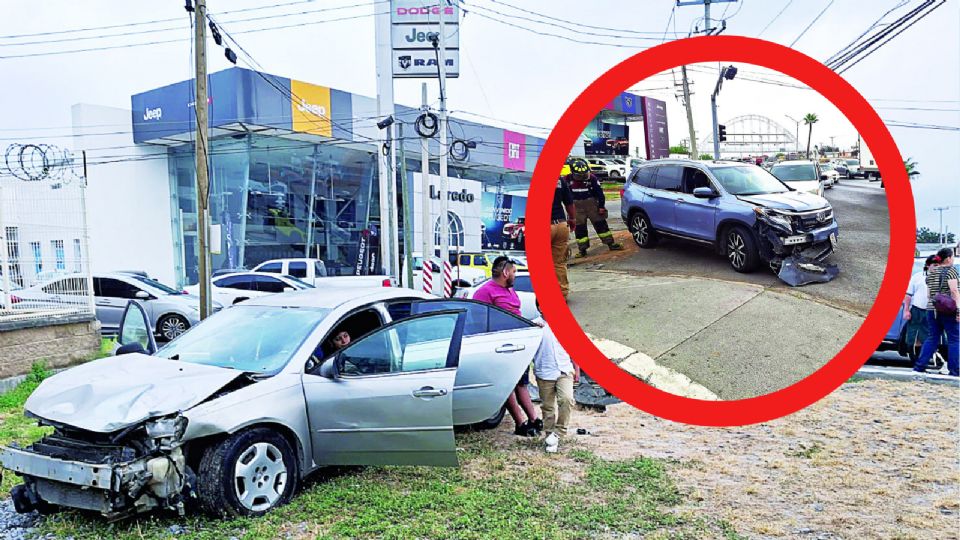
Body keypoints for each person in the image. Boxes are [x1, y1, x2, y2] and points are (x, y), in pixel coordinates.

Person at [473, 256, 542, 436]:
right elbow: (479, 320)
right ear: (505, 272)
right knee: (508, 385)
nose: (515, 275)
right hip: (500, 347)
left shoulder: (510, 290)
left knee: (522, 384)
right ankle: (521, 423)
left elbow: (514, 314)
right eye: (513, 271)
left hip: (518, 344)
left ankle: (534, 419)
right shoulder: (484, 292)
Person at [532, 301, 579, 452]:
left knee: (567, 399)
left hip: (564, 369)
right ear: (540, 307)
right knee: (548, 407)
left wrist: (576, 368)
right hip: (544, 371)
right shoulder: (534, 326)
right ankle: (549, 436)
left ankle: (559, 433)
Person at [913, 248, 959, 377]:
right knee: (954, 340)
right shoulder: (951, 271)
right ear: (949, 258)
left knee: (932, 338)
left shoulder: (931, 273)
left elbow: (929, 294)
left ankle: (919, 367)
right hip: (949, 311)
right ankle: (954, 370)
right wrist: (958, 310)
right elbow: (954, 291)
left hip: (932, 309)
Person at [563, 158, 623, 257]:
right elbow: (564, 196)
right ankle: (582, 250)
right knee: (580, 229)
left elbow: (600, 193)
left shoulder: (592, 178)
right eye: (579, 175)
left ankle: (611, 244)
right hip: (576, 207)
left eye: (584, 174)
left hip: (591, 204)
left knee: (601, 225)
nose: (582, 177)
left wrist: (601, 206)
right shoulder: (566, 180)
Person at [902, 256, 937, 359]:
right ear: (928, 265)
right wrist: (906, 310)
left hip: (932, 311)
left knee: (928, 337)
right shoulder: (917, 277)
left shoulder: (941, 278)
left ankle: (925, 360)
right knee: (913, 337)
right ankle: (914, 359)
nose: (937, 268)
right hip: (917, 310)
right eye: (935, 265)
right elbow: (908, 295)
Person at [552, 169, 576, 299]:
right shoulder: (559, 180)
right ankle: (562, 294)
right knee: (559, 263)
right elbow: (569, 203)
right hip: (561, 225)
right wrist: (572, 219)